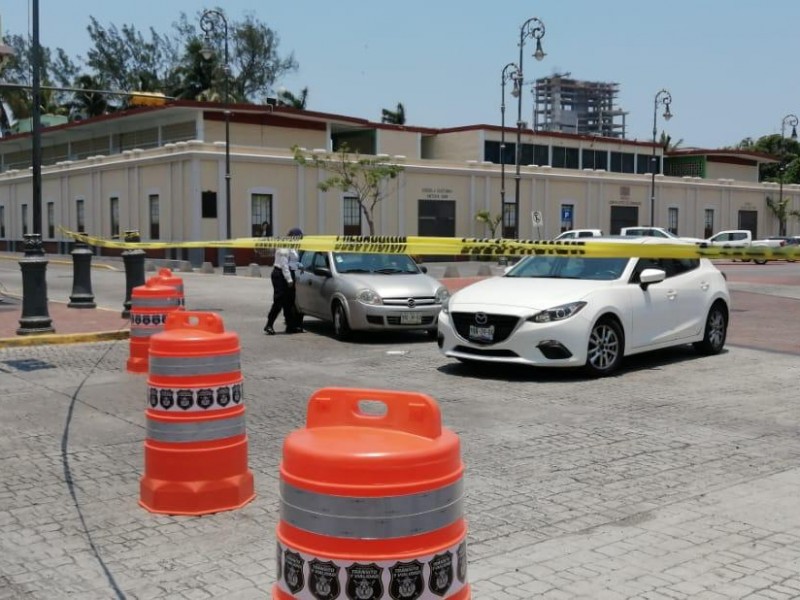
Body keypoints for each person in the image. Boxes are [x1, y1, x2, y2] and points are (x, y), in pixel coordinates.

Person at [264, 227, 304, 335]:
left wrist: (299, 266)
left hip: (288, 273)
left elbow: (292, 263)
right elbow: (284, 264)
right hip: (280, 274)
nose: (300, 240)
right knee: (279, 301)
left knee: (290, 301)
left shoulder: (293, 246)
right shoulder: (285, 245)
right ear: (293, 236)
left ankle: (290, 326)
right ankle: (269, 325)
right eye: (299, 237)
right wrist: (289, 279)